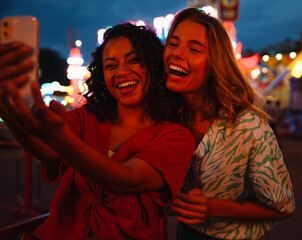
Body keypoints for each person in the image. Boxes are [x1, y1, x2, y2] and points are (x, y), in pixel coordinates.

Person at [0, 23, 195, 239]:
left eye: (134, 60)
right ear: (102, 76)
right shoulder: (87, 118)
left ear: (154, 66)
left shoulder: (176, 136)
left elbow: (127, 179)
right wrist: (6, 108)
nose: (122, 72)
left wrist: (60, 138)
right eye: (111, 65)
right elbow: (45, 150)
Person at [163, 8, 295, 240]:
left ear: (215, 63)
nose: (177, 53)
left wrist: (213, 207)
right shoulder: (167, 118)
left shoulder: (248, 126)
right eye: (173, 44)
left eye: (194, 49)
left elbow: (282, 206)